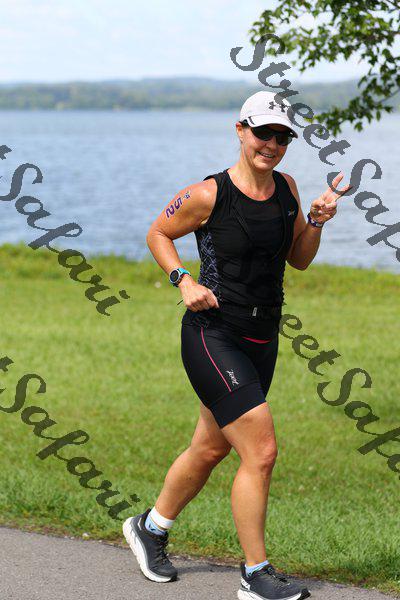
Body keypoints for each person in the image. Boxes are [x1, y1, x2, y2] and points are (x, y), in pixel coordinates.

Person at [122, 90, 350, 600]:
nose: (272, 144)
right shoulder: (208, 194)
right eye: (263, 133)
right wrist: (183, 279)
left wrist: (315, 221)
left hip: (262, 337)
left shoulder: (288, 188)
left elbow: (299, 259)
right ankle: (254, 574)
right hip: (213, 334)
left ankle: (150, 528)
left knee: (210, 447)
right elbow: (158, 233)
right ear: (241, 130)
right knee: (261, 451)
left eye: (282, 137)